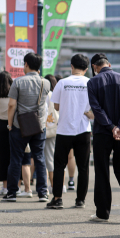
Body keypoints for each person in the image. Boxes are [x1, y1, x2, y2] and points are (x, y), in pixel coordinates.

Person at [87, 53, 120, 222]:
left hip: (103, 133)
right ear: (109, 63)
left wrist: (111, 127)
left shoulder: (93, 82)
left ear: (95, 67)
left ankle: (103, 213)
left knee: (102, 171)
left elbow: (96, 109)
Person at [2, 53, 51, 203]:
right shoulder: (46, 83)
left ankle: (12, 193)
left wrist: (9, 124)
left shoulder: (18, 82)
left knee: (16, 159)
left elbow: (11, 105)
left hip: (19, 125)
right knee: (40, 159)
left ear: (26, 64)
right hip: (38, 125)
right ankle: (43, 193)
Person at [47, 54, 93, 209]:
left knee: (59, 164)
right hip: (83, 129)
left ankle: (58, 198)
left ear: (71, 66)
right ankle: (80, 200)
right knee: (83, 166)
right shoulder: (90, 83)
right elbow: (94, 108)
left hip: (64, 130)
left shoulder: (62, 83)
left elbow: (57, 107)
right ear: (86, 69)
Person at [44, 74, 58, 194]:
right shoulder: (56, 95)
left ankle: (51, 186)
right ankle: (57, 185)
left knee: (47, 159)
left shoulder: (46, 95)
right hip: (57, 129)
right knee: (53, 157)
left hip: (46, 128)